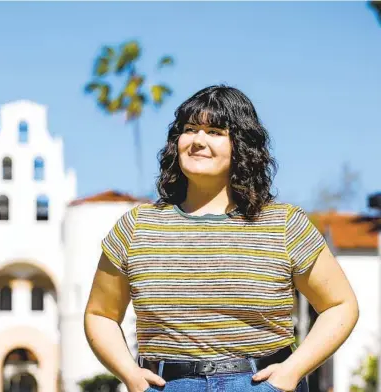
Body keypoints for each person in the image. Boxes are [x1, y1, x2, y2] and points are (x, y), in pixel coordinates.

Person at [84, 85, 359, 392]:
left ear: (241, 145)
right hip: (167, 385)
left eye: (214, 131)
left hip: (263, 384)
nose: (198, 140)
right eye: (189, 129)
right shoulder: (136, 227)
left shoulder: (284, 224)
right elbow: (100, 314)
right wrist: (129, 373)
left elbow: (340, 304)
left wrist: (293, 371)